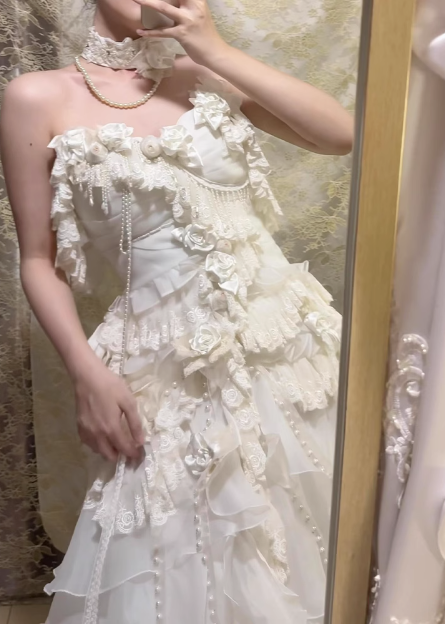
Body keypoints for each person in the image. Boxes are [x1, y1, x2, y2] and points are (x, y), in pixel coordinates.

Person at [0, 0, 353, 622]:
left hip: (287, 346)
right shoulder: (37, 96)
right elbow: (38, 258)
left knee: (317, 528)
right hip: (167, 363)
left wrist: (214, 49)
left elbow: (339, 135)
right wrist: (86, 372)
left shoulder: (206, 72)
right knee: (178, 552)